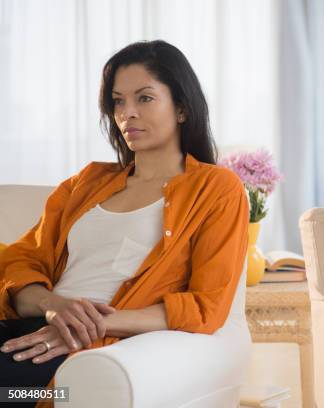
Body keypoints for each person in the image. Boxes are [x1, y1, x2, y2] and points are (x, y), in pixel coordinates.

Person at [0, 40, 249, 407]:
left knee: (10, 393)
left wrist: (90, 325)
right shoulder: (86, 182)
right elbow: (21, 262)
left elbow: (204, 306)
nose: (127, 113)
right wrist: (55, 306)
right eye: (118, 101)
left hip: (87, 352)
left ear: (181, 108)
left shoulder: (216, 189)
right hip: (35, 326)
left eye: (144, 98)